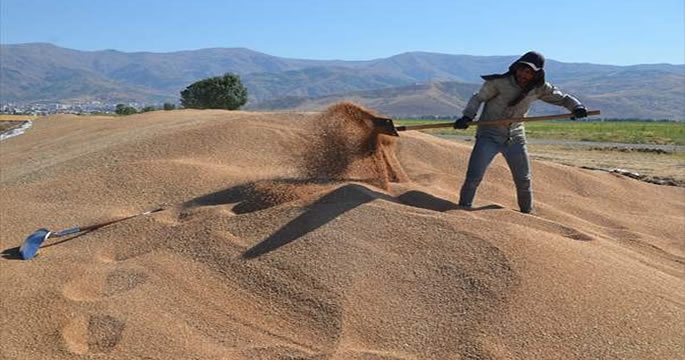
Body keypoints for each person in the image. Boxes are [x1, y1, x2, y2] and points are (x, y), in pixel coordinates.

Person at [453, 51, 588, 213]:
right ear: (516, 68)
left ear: (536, 74)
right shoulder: (499, 82)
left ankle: (527, 213)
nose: (523, 74)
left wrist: (577, 107)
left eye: (529, 72)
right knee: (474, 176)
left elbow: (563, 98)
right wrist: (467, 116)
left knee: (523, 180)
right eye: (522, 69)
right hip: (489, 135)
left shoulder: (540, 88)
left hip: (515, 137)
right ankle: (461, 211)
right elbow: (478, 98)